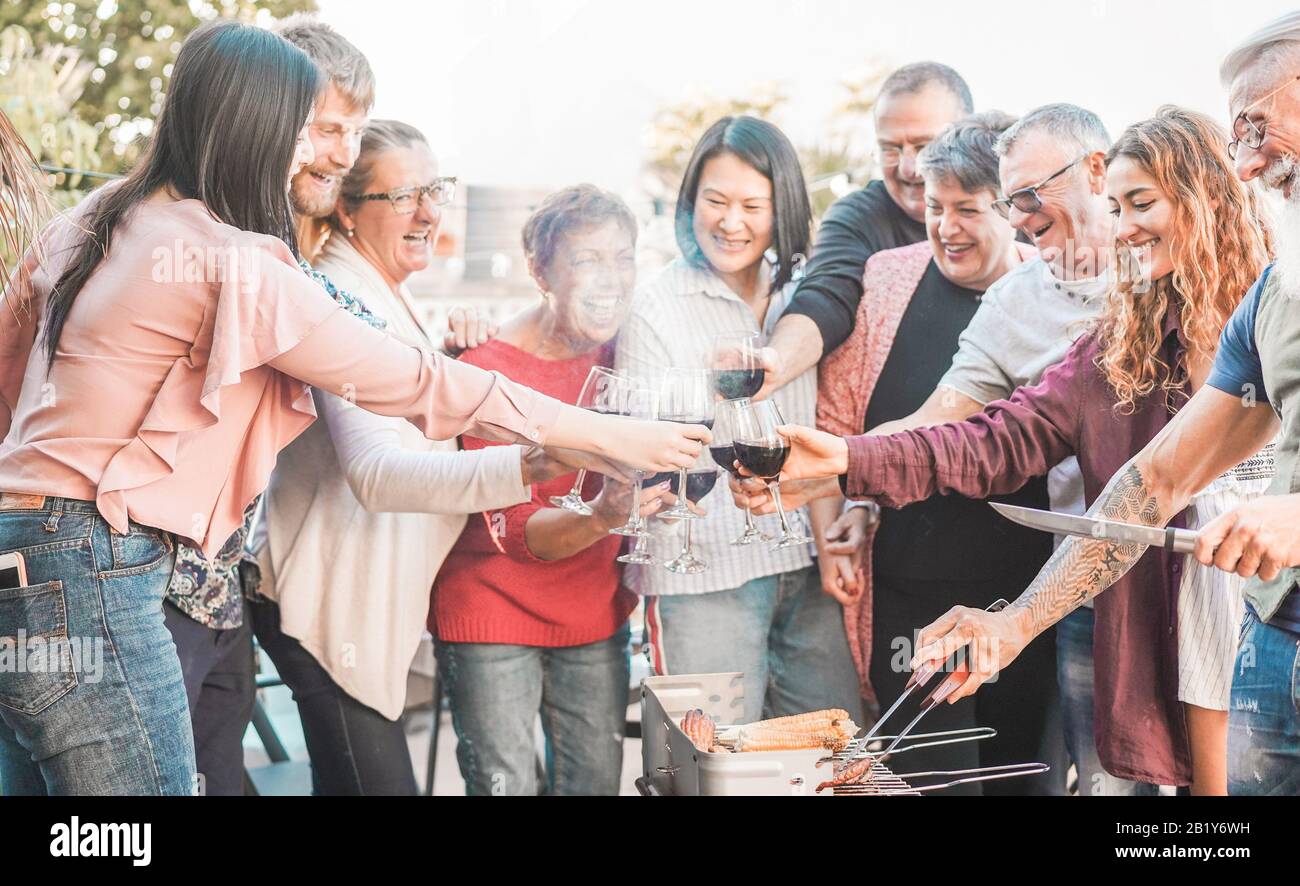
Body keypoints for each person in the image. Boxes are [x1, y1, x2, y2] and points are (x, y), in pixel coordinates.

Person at [0, 21, 705, 797]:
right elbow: (414, 383)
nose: (312, 155)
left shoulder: (93, 219)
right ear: (260, 127)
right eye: (304, 132)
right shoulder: (234, 260)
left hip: (22, 555)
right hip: (94, 564)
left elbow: (8, 370)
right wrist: (603, 432)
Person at [765, 105, 1274, 793]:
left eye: (1141, 204)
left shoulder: (1277, 315)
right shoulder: (1118, 342)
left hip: (1272, 623)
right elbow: (999, 439)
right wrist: (847, 462)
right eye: (1117, 208)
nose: (1123, 227)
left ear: (1206, 196)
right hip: (1140, 606)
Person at [741, 103, 1137, 795]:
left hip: (1180, 576)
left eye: (1018, 197)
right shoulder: (1015, 300)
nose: (1017, 218)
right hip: (1073, 591)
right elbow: (943, 422)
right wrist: (832, 468)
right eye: (1008, 200)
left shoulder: (1161, 273)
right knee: (1101, 782)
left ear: (1098, 171)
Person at [247, 123, 620, 794]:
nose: (429, 212)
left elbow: (409, 401)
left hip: (351, 611)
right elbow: (379, 474)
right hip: (324, 608)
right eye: (404, 196)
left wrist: (445, 357)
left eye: (435, 190)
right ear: (347, 208)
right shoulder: (344, 297)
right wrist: (531, 463)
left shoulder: (387, 293)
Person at [813, 111, 1059, 794]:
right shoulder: (887, 282)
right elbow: (847, 422)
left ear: (1012, 209)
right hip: (911, 595)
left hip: (1025, 600)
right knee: (921, 782)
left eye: (968, 209)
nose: (946, 225)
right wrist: (857, 504)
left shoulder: (1053, 295)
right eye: (934, 206)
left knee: (1021, 778)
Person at [617, 116, 864, 727]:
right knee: (715, 769)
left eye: (752, 205)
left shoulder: (807, 296)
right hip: (703, 578)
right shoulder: (656, 305)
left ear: (782, 208)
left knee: (829, 758)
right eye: (716, 201)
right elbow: (638, 447)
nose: (731, 222)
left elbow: (826, 423)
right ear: (690, 202)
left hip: (805, 566)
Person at [431, 185, 673, 796]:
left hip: (594, 613)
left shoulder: (635, 356)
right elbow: (513, 529)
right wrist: (601, 517)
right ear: (540, 271)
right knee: (503, 788)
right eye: (587, 260)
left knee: (593, 786)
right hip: (489, 610)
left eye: (623, 257)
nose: (610, 278)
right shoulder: (484, 366)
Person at [757, 62, 973, 398]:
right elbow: (826, 295)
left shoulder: (1016, 213)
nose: (908, 168)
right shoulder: (857, 217)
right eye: (890, 148)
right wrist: (776, 361)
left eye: (924, 146)